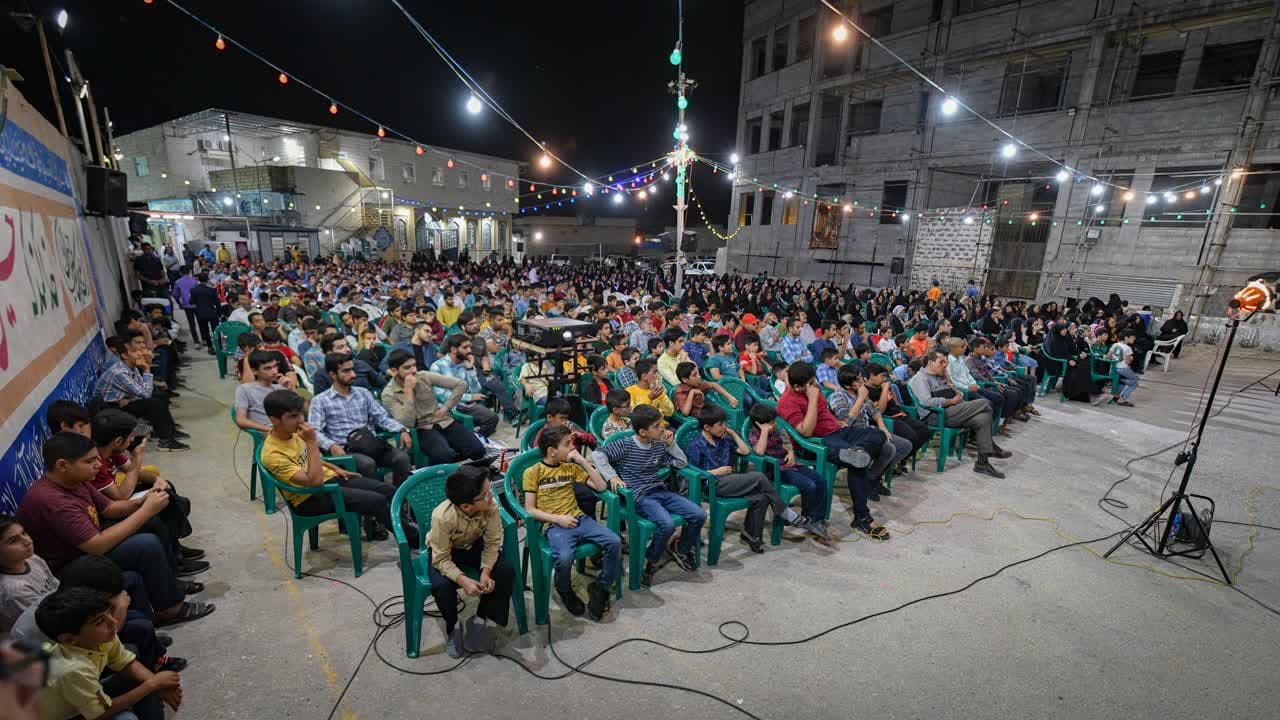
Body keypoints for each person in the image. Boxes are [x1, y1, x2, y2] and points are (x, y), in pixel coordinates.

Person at [16, 433, 212, 626]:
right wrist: (145, 510)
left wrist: (143, 501)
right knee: (146, 545)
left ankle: (171, 577)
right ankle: (170, 610)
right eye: (90, 461)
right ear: (62, 465)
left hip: (88, 546)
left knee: (151, 520)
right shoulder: (53, 500)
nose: (98, 465)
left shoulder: (75, 480)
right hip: (72, 566)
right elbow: (97, 546)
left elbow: (109, 508)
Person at [262, 389, 414, 545]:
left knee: (389, 491)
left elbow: (312, 460)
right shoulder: (272, 454)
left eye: (301, 414)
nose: (301, 420)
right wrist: (312, 442)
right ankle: (412, 541)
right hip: (309, 498)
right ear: (275, 420)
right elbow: (314, 481)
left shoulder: (292, 433)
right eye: (293, 416)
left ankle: (407, 531)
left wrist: (337, 469)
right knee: (377, 501)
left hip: (328, 480)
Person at [591, 405, 706, 588]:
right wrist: (611, 476)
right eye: (657, 426)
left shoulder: (658, 445)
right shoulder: (626, 444)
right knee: (666, 524)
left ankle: (680, 549)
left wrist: (671, 444)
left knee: (699, 515)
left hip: (660, 491)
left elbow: (681, 462)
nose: (663, 428)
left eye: (661, 424)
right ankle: (650, 560)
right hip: (640, 496)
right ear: (643, 432)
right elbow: (597, 454)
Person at [34, 587, 182, 720]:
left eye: (109, 613)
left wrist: (159, 685)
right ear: (70, 639)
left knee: (136, 674)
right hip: (71, 715)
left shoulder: (99, 637)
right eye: (99, 622)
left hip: (83, 696)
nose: (113, 622)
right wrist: (152, 684)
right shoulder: (72, 669)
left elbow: (125, 662)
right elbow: (99, 713)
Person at [777, 362, 888, 538]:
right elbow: (805, 431)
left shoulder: (813, 387)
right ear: (798, 387)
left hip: (837, 433)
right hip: (815, 443)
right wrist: (812, 399)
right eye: (811, 384)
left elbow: (823, 411)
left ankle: (857, 452)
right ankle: (862, 517)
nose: (815, 385)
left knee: (877, 436)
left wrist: (836, 422)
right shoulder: (787, 402)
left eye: (814, 381)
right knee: (857, 464)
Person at [521, 425, 620, 621]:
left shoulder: (571, 467)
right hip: (555, 525)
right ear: (551, 451)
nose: (572, 448)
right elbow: (530, 510)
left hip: (578, 518)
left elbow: (600, 486)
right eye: (567, 445)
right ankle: (564, 588)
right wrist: (558, 519)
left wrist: (583, 461)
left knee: (614, 542)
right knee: (565, 556)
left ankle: (601, 587)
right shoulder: (533, 472)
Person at [686, 404, 815, 553]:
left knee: (762, 497)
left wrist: (733, 434)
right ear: (707, 427)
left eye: (724, 424)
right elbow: (693, 473)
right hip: (712, 484)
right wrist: (715, 471)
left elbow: (745, 450)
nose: (724, 427)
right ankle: (783, 511)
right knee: (759, 477)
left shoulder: (723, 440)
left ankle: (751, 535)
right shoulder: (696, 445)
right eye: (720, 425)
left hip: (729, 481)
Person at [426, 466, 516, 658]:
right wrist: (462, 580)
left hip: (474, 545)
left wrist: (486, 572)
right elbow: (440, 558)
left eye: (489, 489)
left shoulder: (490, 506)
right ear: (466, 506)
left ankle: (485, 617)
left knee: (505, 571)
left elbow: (492, 544)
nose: (491, 495)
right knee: (441, 586)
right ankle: (452, 627)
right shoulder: (442, 517)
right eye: (485, 495)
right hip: (446, 551)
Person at [308, 353, 413, 487]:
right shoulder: (321, 401)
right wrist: (331, 445)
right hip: (346, 449)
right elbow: (314, 431)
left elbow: (382, 418)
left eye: (352, 369)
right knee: (367, 464)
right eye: (346, 371)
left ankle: (399, 498)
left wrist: (402, 429)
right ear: (333, 374)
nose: (353, 374)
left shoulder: (363, 393)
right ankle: (379, 500)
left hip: (370, 444)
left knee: (402, 458)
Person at [909, 350, 1010, 478]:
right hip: (937, 416)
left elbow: (953, 392)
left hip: (955, 410)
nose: (945, 365)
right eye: (941, 362)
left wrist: (951, 384)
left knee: (983, 418)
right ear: (930, 363)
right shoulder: (920, 379)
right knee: (985, 403)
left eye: (946, 362)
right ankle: (991, 445)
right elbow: (926, 402)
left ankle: (982, 463)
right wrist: (950, 401)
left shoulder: (940, 375)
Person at [380, 349, 484, 466]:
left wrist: (446, 407)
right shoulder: (388, 394)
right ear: (394, 371)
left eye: (414, 365)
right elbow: (407, 423)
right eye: (407, 367)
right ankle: (444, 474)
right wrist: (408, 391)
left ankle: (461, 471)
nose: (414, 370)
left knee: (478, 450)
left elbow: (461, 384)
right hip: (420, 429)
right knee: (444, 455)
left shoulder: (424, 376)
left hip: (442, 421)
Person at [746, 405, 831, 543]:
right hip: (776, 470)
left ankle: (817, 519)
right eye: (771, 423)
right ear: (758, 424)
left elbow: (786, 442)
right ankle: (808, 517)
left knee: (820, 480)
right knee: (808, 485)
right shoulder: (755, 434)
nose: (774, 425)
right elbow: (759, 452)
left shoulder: (778, 429)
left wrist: (791, 453)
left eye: (774, 422)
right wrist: (764, 432)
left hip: (791, 464)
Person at [827, 365, 912, 499]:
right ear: (848, 385)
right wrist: (860, 399)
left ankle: (873, 477)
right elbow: (846, 423)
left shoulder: (861, 393)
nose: (862, 382)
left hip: (870, 432)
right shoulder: (837, 397)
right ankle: (867, 482)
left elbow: (875, 411)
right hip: (851, 436)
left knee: (905, 445)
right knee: (888, 449)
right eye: (858, 380)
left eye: (860, 378)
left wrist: (882, 427)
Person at [92, 335, 188, 451]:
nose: (140, 354)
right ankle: (165, 441)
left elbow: (142, 389)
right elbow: (145, 394)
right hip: (108, 409)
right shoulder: (119, 372)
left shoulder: (132, 367)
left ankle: (168, 430)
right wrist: (147, 368)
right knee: (152, 403)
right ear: (124, 356)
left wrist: (133, 397)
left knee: (159, 395)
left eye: (139, 351)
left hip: (123, 402)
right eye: (135, 352)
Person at [431, 334, 501, 437]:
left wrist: (470, 369)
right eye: (465, 347)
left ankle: (475, 438)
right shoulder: (437, 366)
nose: (469, 351)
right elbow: (442, 395)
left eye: (470, 347)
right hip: (447, 407)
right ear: (454, 349)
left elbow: (476, 389)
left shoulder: (466, 363)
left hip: (465, 405)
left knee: (492, 418)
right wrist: (469, 397)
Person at [946, 337, 1016, 436]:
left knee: (999, 398)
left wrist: (973, 383)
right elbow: (951, 380)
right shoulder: (949, 361)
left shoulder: (960, 359)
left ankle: (989, 427)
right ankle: (977, 433)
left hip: (973, 386)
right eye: (962, 347)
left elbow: (967, 374)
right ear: (953, 349)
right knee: (987, 403)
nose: (965, 348)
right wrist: (967, 388)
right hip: (964, 391)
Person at [0, 517, 57, 632]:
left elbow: (56, 586)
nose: (27, 541)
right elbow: (45, 625)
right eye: (13, 541)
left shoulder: (32, 558)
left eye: (24, 533)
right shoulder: (14, 591)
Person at [234, 350, 296, 432]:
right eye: (267, 368)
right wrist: (269, 430)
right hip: (267, 431)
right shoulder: (245, 389)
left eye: (275, 366)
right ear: (254, 371)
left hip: (287, 429)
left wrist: (291, 389)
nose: (274, 371)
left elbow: (300, 410)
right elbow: (241, 420)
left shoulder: (280, 387)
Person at [673, 362, 738, 419]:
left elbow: (713, 384)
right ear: (684, 379)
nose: (699, 377)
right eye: (694, 375)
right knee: (720, 415)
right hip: (695, 420)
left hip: (705, 412)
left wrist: (730, 397)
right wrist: (691, 393)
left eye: (698, 373)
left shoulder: (697, 384)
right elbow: (685, 412)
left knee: (724, 413)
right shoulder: (680, 392)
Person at [1095, 328, 1141, 407]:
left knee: (1121, 381)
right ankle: (1122, 399)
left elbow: (1109, 356)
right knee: (1135, 381)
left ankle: (1116, 395)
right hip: (1123, 368)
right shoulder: (1128, 348)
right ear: (1126, 338)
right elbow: (1127, 362)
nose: (1134, 339)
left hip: (1114, 368)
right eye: (1133, 337)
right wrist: (1131, 358)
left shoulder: (1115, 344)